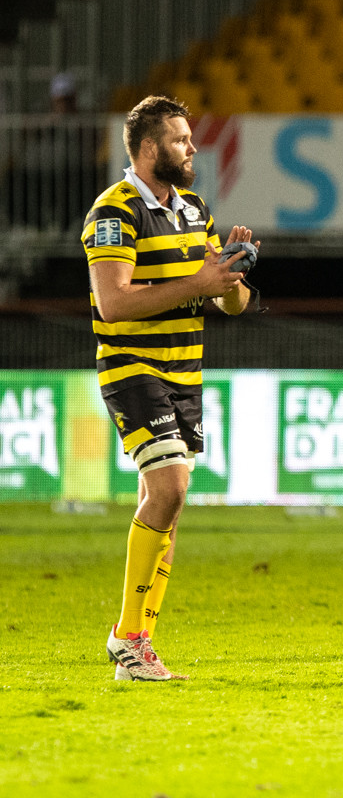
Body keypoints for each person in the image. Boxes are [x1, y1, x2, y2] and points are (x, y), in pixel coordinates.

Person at [83, 95, 256, 681]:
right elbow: (113, 302)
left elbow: (227, 302)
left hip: (185, 374)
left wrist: (229, 278)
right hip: (134, 368)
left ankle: (139, 646)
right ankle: (126, 637)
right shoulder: (114, 210)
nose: (193, 148)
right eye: (182, 139)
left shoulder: (193, 209)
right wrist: (197, 282)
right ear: (150, 147)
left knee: (169, 507)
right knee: (171, 486)